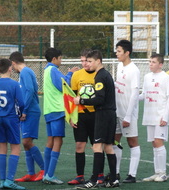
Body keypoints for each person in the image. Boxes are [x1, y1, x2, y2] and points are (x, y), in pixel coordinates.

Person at [74, 50, 119, 189]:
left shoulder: (100, 76)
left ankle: (93, 180)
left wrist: (81, 100)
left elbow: (99, 99)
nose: (88, 64)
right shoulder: (106, 74)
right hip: (110, 114)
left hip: (103, 114)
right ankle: (113, 179)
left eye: (90, 61)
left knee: (97, 146)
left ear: (98, 61)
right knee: (108, 147)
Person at [68, 49, 104, 185]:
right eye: (82, 61)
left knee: (97, 145)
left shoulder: (99, 75)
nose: (84, 64)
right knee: (79, 145)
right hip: (81, 116)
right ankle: (80, 176)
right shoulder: (76, 76)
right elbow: (72, 97)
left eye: (87, 61)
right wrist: (71, 117)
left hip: (96, 115)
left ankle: (99, 175)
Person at [42, 47, 78, 185]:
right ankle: (49, 175)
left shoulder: (46, 70)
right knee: (58, 141)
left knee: (50, 140)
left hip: (48, 110)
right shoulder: (53, 70)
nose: (61, 60)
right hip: (57, 110)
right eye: (60, 58)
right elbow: (64, 85)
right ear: (54, 59)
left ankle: (46, 173)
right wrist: (70, 73)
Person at [0, 58, 25, 190]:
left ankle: (2, 180)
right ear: (10, 68)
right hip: (11, 118)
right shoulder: (15, 84)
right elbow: (21, 103)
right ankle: (10, 180)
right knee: (15, 147)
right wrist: (20, 114)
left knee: (1, 147)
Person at [10, 52, 45, 182]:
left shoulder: (25, 72)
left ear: (13, 63)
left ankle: (44, 169)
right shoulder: (27, 72)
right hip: (27, 111)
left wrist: (24, 110)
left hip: (30, 111)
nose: (12, 69)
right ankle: (31, 173)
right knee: (26, 143)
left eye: (11, 65)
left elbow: (30, 90)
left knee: (26, 142)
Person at [139, 54, 169, 182]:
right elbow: (144, 94)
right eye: (149, 61)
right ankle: (157, 172)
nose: (150, 64)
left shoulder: (165, 77)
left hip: (160, 116)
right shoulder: (147, 77)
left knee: (159, 142)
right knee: (154, 143)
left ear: (160, 64)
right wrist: (132, 97)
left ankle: (163, 173)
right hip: (149, 115)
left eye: (153, 62)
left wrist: (166, 116)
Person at [114, 39, 141, 183]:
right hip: (117, 112)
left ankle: (132, 174)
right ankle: (116, 172)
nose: (116, 54)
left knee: (132, 142)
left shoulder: (134, 70)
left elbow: (134, 94)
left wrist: (128, 116)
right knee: (115, 141)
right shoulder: (119, 66)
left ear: (127, 53)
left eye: (119, 51)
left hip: (127, 114)